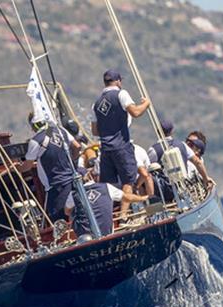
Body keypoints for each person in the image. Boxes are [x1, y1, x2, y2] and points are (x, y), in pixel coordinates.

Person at [91, 69, 151, 217]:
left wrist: (108, 127)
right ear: (118, 81)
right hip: (122, 147)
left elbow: (95, 131)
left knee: (109, 186)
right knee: (127, 181)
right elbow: (136, 112)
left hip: (106, 149)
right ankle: (123, 217)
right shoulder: (121, 94)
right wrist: (146, 104)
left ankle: (109, 218)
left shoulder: (96, 103)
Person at [20, 113, 81, 222]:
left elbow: (27, 166)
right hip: (72, 180)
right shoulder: (61, 131)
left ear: (34, 125)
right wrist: (73, 164)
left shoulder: (36, 141)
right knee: (78, 211)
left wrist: (15, 168)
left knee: (59, 220)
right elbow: (77, 146)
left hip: (56, 187)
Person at [65, 170, 148, 237]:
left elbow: (67, 211)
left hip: (85, 237)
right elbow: (127, 198)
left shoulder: (73, 195)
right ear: (90, 176)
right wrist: (143, 198)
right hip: (106, 233)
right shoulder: (106, 187)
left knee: (72, 211)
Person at [147, 120, 212, 187]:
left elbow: (147, 169)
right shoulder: (182, 145)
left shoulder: (153, 150)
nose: (188, 144)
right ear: (172, 131)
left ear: (157, 131)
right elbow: (198, 162)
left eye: (191, 144)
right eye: (187, 141)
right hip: (183, 187)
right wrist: (206, 179)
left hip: (165, 189)